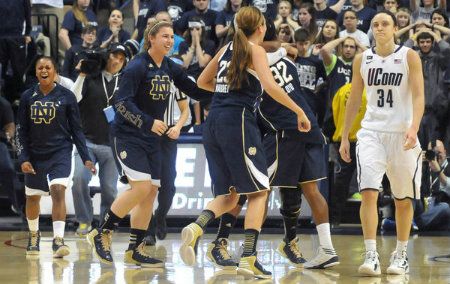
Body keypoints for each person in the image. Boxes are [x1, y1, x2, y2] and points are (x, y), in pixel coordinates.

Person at [179, 6, 310, 279]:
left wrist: (228, 87)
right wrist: (299, 110)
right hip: (237, 120)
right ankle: (249, 257)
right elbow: (272, 87)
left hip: (213, 120)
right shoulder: (255, 50)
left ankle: (197, 227)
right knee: (260, 192)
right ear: (261, 28)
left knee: (230, 194)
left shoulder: (227, 49)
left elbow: (203, 81)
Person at [87, 20, 212, 268]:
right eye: (164, 36)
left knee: (151, 192)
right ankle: (101, 232)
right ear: (151, 39)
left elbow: (194, 90)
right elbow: (121, 104)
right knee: (142, 187)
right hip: (127, 136)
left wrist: (223, 91)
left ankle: (135, 248)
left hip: (152, 138)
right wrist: (147, 122)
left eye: (171, 37)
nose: (169, 40)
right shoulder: (136, 67)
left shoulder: (169, 67)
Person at [339, 11, 424, 275]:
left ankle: (400, 255)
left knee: (402, 199)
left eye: (384, 23)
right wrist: (344, 135)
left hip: (401, 134)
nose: (379, 28)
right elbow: (354, 99)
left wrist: (414, 127)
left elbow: (420, 95)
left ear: (395, 27)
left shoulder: (409, 56)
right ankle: (371, 255)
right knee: (368, 192)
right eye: (375, 24)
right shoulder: (361, 59)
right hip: (371, 132)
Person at [258, 51, 339, 269]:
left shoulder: (256, 67)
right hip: (309, 127)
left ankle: (249, 250)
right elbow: (279, 51)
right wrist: (284, 49)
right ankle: (326, 249)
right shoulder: (288, 62)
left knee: (260, 192)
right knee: (310, 191)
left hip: (287, 130)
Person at [16, 56, 96, 257]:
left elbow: (77, 130)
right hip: (34, 154)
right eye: (40, 67)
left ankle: (58, 240)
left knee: (58, 191)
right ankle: (34, 235)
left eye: (48, 67)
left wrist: (86, 156)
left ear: (55, 72)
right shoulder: (27, 97)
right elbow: (21, 131)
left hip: (60, 151)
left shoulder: (67, 96)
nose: (44, 70)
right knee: (32, 197)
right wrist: (24, 158)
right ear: (36, 72)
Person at [70, 43, 128, 237]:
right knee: (79, 180)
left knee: (110, 190)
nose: (117, 61)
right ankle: (84, 221)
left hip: (112, 145)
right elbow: (73, 98)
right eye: (115, 56)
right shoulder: (92, 76)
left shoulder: (125, 81)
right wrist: (82, 74)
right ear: (107, 56)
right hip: (86, 142)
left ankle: (105, 225)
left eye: (122, 59)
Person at [144, 57, 191, 245]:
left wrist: (178, 127)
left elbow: (185, 110)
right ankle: (148, 231)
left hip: (168, 135)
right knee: (148, 185)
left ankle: (160, 215)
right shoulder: (145, 81)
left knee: (168, 186)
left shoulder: (175, 84)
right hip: (148, 133)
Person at [0, 0, 32, 103]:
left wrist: (28, 33)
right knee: (1, 68)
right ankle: (2, 95)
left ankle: (19, 97)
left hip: (17, 36)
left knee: (18, 69)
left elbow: (28, 13)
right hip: (1, 37)